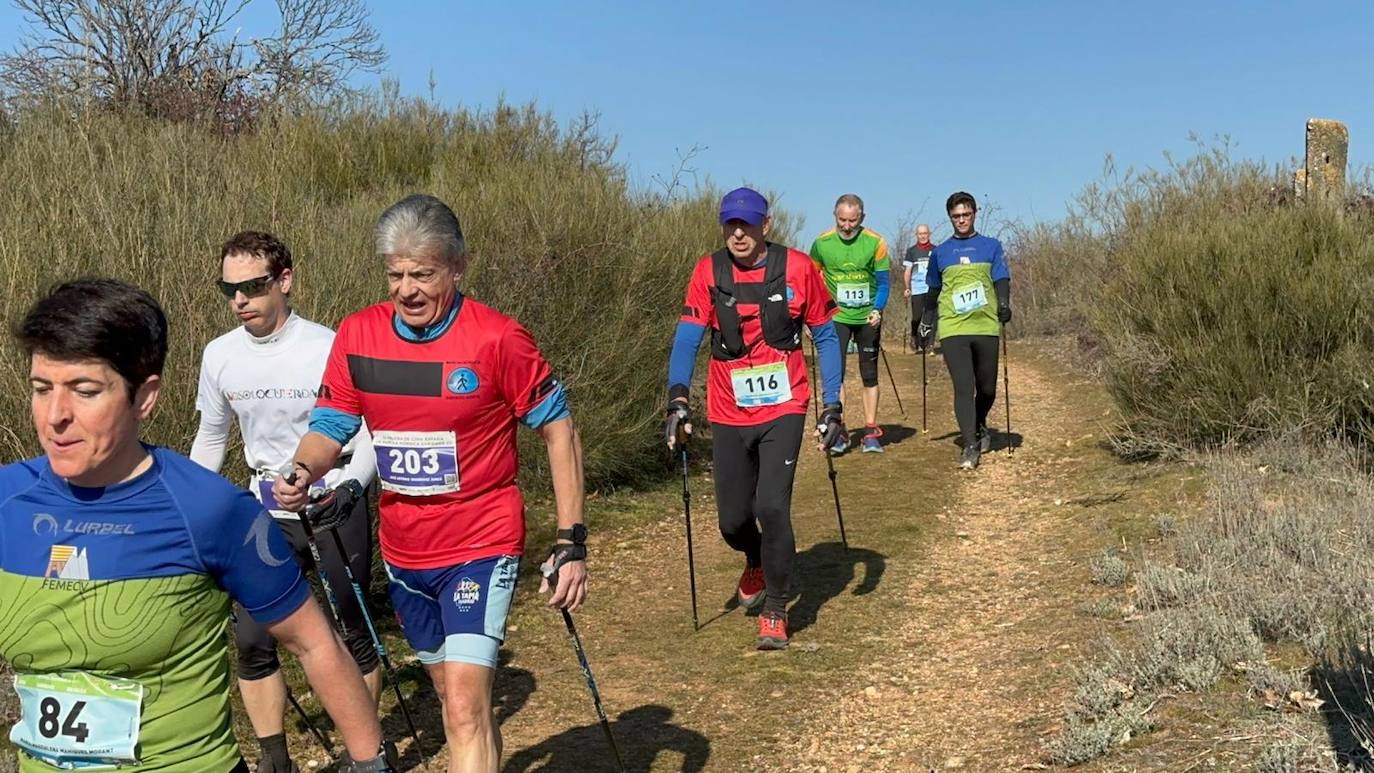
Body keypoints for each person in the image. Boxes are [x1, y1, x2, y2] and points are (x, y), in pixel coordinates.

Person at [0, 279, 391, 772]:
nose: (55, 415)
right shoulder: (7, 501)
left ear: (144, 397)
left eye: (84, 391)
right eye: (41, 389)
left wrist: (369, 762)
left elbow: (314, 643)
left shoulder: (210, 509)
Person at [273, 194, 588, 773]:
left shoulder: (498, 338)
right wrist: (302, 469)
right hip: (404, 547)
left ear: (458, 266)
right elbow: (330, 423)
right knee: (453, 701)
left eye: (423, 274)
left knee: (465, 708)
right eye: (395, 274)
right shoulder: (359, 334)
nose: (407, 290)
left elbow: (558, 429)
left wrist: (571, 539)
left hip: (481, 541)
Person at [190, 231, 382, 773]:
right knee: (253, 639)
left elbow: (367, 429)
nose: (239, 300)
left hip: (333, 500)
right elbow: (211, 437)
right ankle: (275, 760)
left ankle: (360, 753)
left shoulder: (328, 345)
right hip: (264, 509)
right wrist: (192, 507)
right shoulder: (220, 354)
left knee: (351, 631)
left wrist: (352, 488)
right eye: (229, 289)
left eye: (252, 286)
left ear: (285, 280)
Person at [664, 186, 844, 650]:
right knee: (732, 521)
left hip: (784, 405)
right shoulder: (708, 270)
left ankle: (776, 610)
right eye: (730, 224)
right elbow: (687, 339)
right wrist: (678, 399)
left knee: (771, 506)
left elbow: (825, 337)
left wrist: (832, 405)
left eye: (747, 224)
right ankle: (755, 559)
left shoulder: (800, 268)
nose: (738, 233)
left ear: (767, 225)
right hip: (727, 409)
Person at [919, 192, 1012, 469]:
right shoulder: (940, 252)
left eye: (966, 214)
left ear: (974, 214)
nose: (961, 220)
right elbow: (933, 289)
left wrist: (1004, 303)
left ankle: (979, 421)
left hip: (984, 323)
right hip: (953, 326)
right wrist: (925, 321)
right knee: (963, 386)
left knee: (987, 389)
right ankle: (970, 444)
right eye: (956, 216)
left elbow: (1001, 278)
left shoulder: (991, 246)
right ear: (950, 217)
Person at [808, 193, 891, 453]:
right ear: (835, 216)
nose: (846, 226)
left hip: (867, 316)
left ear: (861, 218)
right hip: (837, 317)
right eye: (842, 220)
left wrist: (878, 308)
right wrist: (812, 318)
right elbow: (811, 281)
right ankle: (839, 429)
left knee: (869, 374)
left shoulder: (875, 242)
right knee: (836, 375)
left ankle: (870, 430)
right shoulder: (821, 243)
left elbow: (885, 283)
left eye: (852, 221)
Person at [902, 223, 936, 352]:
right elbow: (907, 271)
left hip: (931, 288)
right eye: (920, 234)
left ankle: (929, 344)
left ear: (929, 234)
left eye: (925, 233)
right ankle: (914, 335)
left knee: (931, 317)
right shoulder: (912, 251)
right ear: (917, 235)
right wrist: (907, 287)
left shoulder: (935, 250)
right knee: (917, 317)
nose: (923, 236)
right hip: (917, 288)